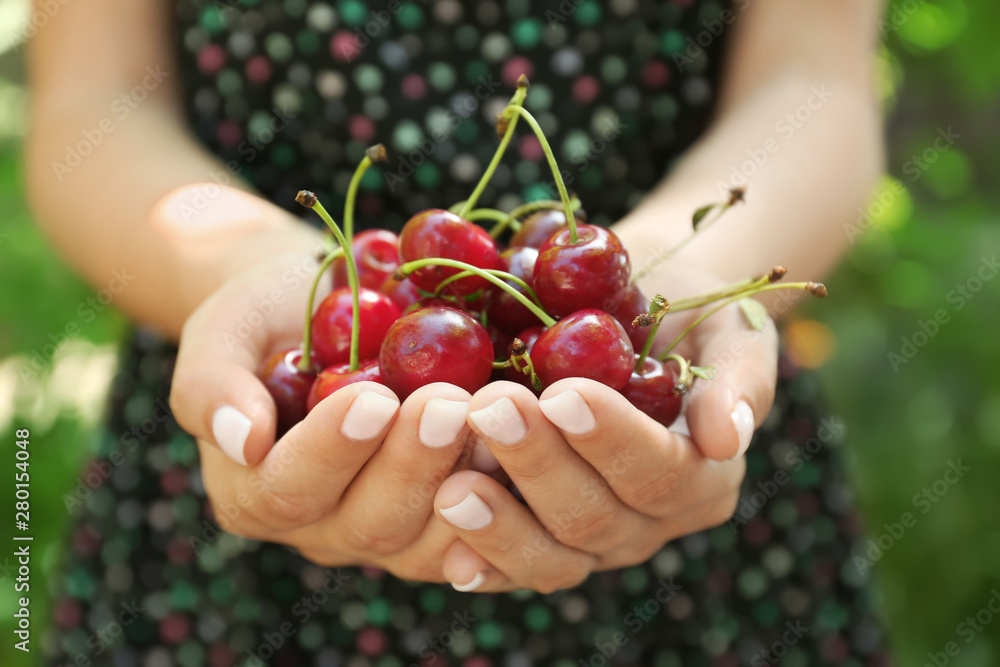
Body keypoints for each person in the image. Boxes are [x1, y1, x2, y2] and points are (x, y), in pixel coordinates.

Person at [28, 0, 890, 663]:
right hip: (255, 423)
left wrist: (680, 264)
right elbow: (91, 105)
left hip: (666, 458)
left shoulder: (621, 343)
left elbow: (811, 82)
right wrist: (233, 267)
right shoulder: (345, 333)